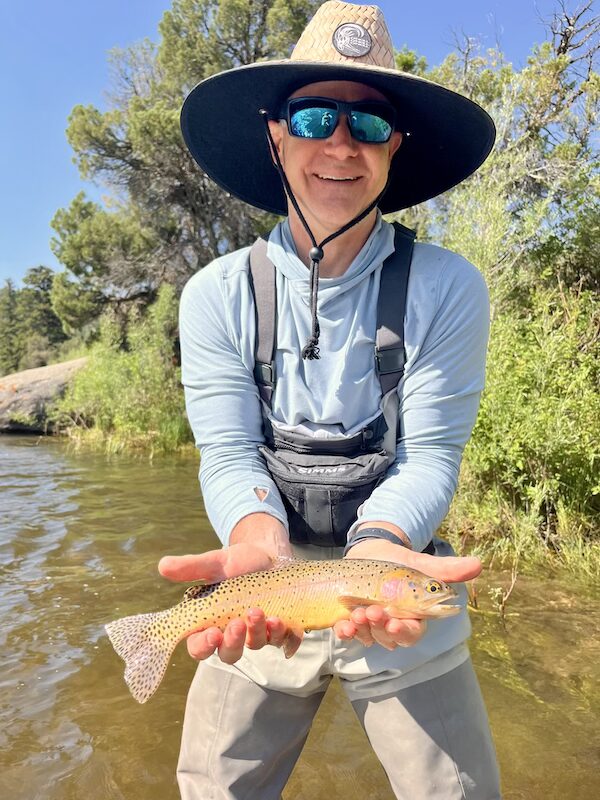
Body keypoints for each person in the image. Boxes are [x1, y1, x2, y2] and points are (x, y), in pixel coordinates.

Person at [159, 2, 501, 798]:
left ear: (396, 147)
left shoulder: (450, 288)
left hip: (395, 572)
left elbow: (430, 455)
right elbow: (231, 451)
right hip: (268, 582)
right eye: (315, 116)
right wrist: (255, 541)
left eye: (371, 122)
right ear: (276, 136)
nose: (342, 144)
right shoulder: (214, 295)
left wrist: (378, 547)